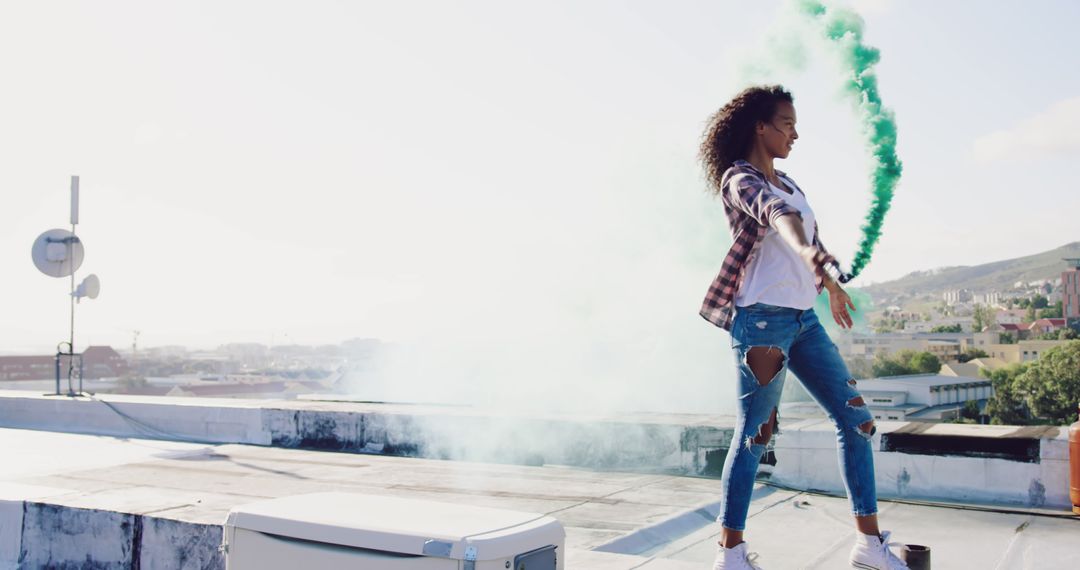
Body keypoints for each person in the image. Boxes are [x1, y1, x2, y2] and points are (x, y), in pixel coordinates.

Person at [698, 85, 909, 570]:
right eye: (787, 124)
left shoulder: (790, 181)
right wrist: (808, 251)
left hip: (803, 320)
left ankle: (869, 547)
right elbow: (779, 217)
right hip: (763, 323)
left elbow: (809, 233)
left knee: (857, 421)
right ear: (760, 127)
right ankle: (729, 555)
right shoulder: (740, 179)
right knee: (756, 433)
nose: (795, 133)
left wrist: (829, 283)